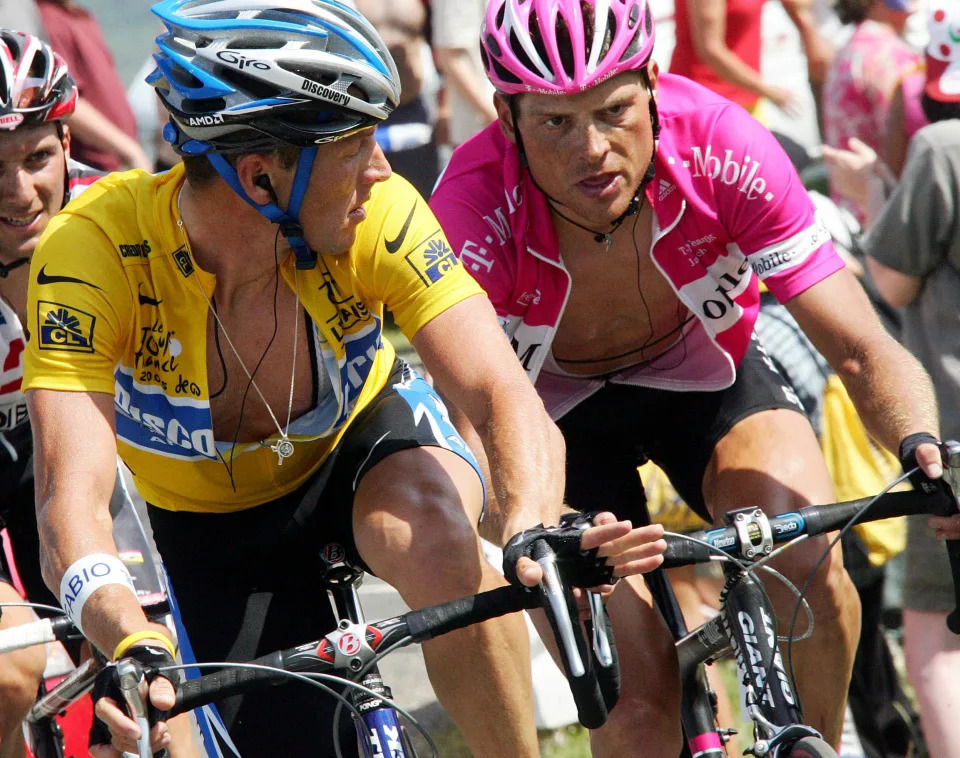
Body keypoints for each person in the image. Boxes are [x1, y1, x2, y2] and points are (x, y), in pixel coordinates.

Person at [21, 2, 666, 757]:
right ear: (262, 175)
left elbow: (499, 393)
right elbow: (69, 507)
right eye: (355, 143)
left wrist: (528, 521)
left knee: (430, 532)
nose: (383, 167)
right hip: (212, 526)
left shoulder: (376, 214)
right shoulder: (93, 250)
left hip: (364, 449)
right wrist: (132, 640)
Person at [429, 0, 953, 753]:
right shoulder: (471, 206)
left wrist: (921, 442)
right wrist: (540, 527)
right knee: (638, 711)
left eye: (614, 110)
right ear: (507, 119)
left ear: (652, 81)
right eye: (555, 123)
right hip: (550, 424)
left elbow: (863, 347)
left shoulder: (723, 144)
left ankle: (819, 741)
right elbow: (476, 420)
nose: (592, 149)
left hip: (705, 381)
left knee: (812, 573)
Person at [860, 8, 960, 754]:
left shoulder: (942, 149)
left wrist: (871, 195)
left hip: (953, 437)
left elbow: (891, 284)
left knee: (936, 623)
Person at [0, 27, 101, 758]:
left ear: (68, 146)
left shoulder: (113, 219)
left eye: (37, 159)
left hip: (70, 448)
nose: (18, 194)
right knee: (11, 665)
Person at [821, 0, 922, 221]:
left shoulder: (848, 48)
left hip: (849, 205)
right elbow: (903, 143)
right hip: (882, 212)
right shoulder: (892, 56)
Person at [35, 0, 152, 173]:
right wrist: (129, 151)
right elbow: (64, 98)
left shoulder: (79, 16)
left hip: (113, 163)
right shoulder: (48, 20)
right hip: (89, 169)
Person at [355, 0, 442, 198]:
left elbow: (438, 44)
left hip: (415, 106)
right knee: (372, 194)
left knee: (423, 194)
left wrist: (445, 106)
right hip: (367, 108)